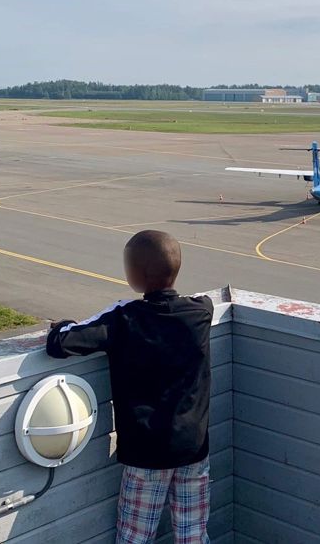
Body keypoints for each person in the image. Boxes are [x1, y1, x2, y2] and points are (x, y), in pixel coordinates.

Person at [46, 230, 214, 544]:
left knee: (135, 536)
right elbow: (201, 302)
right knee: (193, 534)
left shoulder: (124, 319)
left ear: (134, 275)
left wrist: (61, 324)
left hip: (146, 454)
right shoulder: (201, 312)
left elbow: (61, 342)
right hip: (193, 448)